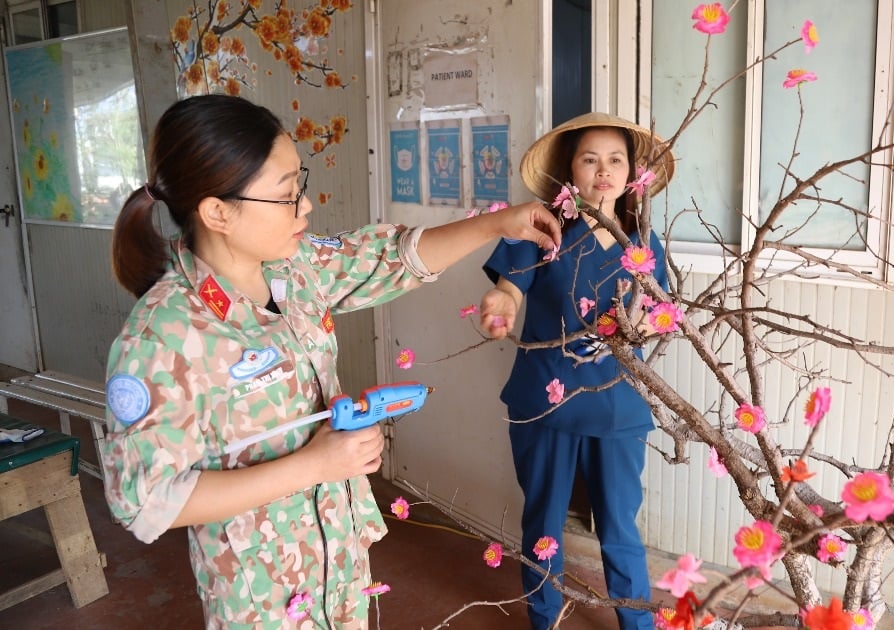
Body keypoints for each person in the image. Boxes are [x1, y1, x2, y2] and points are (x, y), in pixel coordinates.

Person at [103, 93, 560, 628]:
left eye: (301, 182)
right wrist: (315, 465)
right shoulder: (164, 337)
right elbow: (149, 501)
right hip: (263, 600)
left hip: (340, 566)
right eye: (285, 194)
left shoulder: (295, 269)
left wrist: (496, 225)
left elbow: (391, 259)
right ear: (217, 211)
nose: (305, 205)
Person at [479, 112, 676, 630]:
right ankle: (543, 620)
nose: (603, 170)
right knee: (543, 521)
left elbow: (662, 314)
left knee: (619, 527)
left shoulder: (644, 245)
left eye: (616, 160)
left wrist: (648, 322)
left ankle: (637, 624)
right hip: (544, 401)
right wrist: (500, 301)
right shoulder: (541, 228)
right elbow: (510, 286)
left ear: (632, 173)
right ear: (570, 169)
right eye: (590, 159)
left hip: (617, 405)